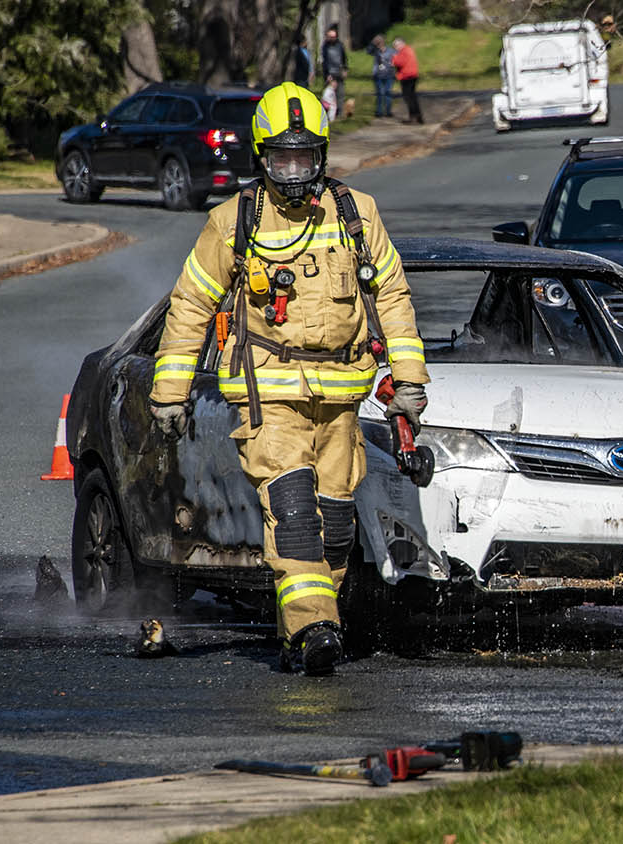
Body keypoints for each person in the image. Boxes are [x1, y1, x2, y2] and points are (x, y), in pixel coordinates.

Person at [148, 82, 429, 675]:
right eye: (283, 160)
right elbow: (190, 306)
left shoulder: (357, 213)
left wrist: (408, 379)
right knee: (294, 510)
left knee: (335, 526)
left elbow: (394, 296)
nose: (296, 172)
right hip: (268, 393)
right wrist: (170, 391)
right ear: (262, 159)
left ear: (322, 156)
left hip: (341, 397)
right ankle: (317, 628)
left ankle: (298, 632)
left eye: (306, 159)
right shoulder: (233, 222)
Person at [391, 37, 423, 124]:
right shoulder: (409, 49)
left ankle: (413, 118)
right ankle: (418, 117)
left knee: (408, 98)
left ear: (401, 44)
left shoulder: (404, 51)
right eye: (394, 46)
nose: (395, 48)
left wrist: (393, 59)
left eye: (396, 46)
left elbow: (400, 62)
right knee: (412, 97)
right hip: (412, 75)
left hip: (407, 76)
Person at [367, 34, 397, 118]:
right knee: (380, 93)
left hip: (389, 75)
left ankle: (388, 111)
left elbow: (397, 57)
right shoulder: (375, 51)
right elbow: (368, 51)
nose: (379, 45)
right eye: (378, 43)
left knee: (388, 92)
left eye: (380, 43)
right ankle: (379, 111)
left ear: (383, 43)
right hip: (378, 75)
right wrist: (372, 43)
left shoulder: (391, 51)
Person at [321, 25, 347, 103]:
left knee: (340, 92)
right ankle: (329, 109)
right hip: (329, 72)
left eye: (333, 37)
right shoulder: (325, 46)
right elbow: (324, 61)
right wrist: (327, 74)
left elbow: (344, 58)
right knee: (328, 93)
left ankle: (339, 109)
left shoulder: (340, 45)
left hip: (339, 71)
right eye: (330, 37)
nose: (332, 38)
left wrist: (345, 69)